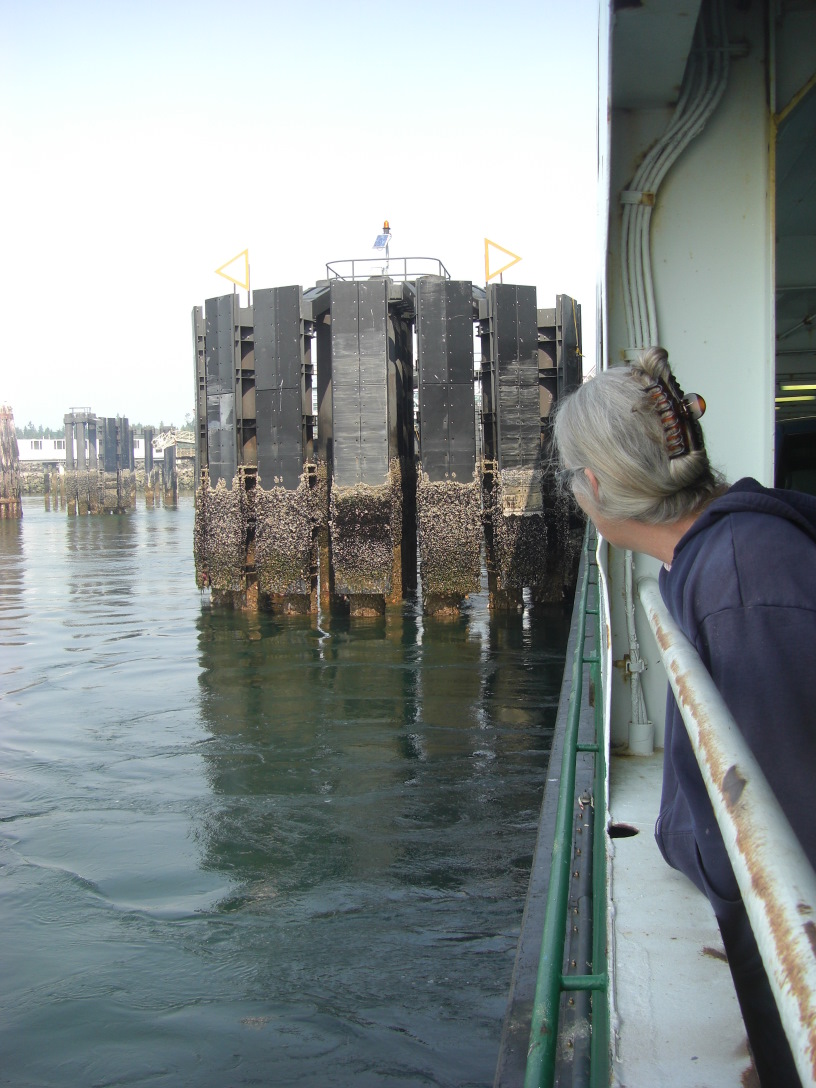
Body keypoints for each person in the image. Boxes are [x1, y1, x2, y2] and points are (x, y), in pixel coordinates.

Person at [552, 345, 816, 1088]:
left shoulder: (741, 583)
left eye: (574, 476)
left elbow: (793, 834)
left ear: (596, 484)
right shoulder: (717, 560)